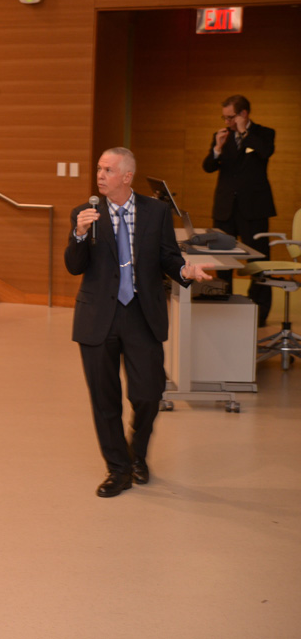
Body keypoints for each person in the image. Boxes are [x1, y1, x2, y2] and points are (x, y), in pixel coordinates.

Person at [65, 147, 212, 498]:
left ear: (127, 176)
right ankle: (119, 469)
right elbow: (74, 265)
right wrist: (79, 234)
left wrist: (185, 271)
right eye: (99, 169)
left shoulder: (155, 211)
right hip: (97, 317)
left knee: (148, 394)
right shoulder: (85, 213)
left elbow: (168, 257)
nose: (100, 175)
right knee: (104, 399)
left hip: (141, 314)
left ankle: (137, 452)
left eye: (108, 170)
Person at [203, 94, 277, 326]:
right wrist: (217, 148)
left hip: (254, 208)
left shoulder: (264, 133)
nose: (227, 122)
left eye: (231, 117)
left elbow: (265, 152)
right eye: (224, 118)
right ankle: (223, 306)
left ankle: (259, 313)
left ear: (244, 114)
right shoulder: (222, 136)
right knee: (223, 262)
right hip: (225, 208)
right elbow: (208, 166)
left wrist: (245, 132)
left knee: (258, 262)